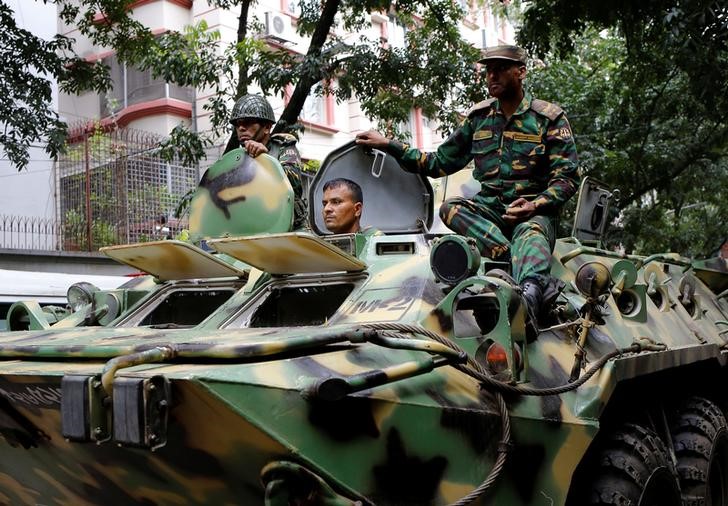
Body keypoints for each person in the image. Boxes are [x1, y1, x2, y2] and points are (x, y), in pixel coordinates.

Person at [355, 45, 580, 336]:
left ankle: (529, 301)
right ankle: (512, 258)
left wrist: (535, 205)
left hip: (532, 213)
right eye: (488, 70)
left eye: (500, 68)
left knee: (531, 233)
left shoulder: (548, 118)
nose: (492, 75)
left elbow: (567, 179)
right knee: (451, 208)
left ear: (521, 72)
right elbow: (437, 163)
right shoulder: (479, 119)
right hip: (489, 216)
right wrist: (390, 144)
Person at [229, 94, 307, 229]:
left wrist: (265, 159)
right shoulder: (236, 160)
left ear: (267, 127)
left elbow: (293, 182)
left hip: (289, 228)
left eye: (248, 122)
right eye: (238, 124)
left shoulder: (283, 147)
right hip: (250, 227)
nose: (241, 128)